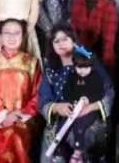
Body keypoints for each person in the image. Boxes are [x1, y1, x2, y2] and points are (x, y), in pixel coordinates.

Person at [39, 26, 113, 163]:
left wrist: (89, 107)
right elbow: (43, 98)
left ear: (73, 41)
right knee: (51, 146)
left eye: (65, 39)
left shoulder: (88, 60)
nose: (61, 44)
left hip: (89, 117)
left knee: (80, 137)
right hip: (60, 119)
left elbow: (108, 91)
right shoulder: (50, 68)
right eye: (56, 41)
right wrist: (57, 107)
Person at [0, 18, 41, 163]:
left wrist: (17, 115)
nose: (12, 37)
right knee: (2, 140)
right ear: (0, 36)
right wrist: (2, 116)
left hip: (23, 119)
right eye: (7, 33)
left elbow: (38, 95)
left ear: (23, 36)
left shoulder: (31, 62)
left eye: (16, 33)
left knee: (14, 136)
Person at [70, 0, 118, 71]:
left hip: (99, 57)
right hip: (79, 55)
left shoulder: (109, 7)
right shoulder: (77, 2)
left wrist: (105, 66)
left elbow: (109, 42)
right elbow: (73, 32)